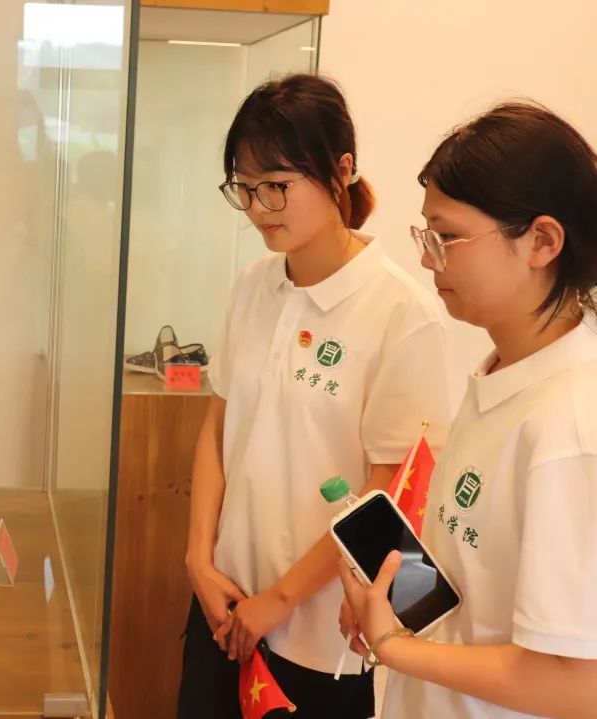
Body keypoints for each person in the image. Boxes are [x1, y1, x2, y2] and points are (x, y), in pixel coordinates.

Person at [177, 73, 452, 719]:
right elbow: (218, 427)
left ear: (342, 169)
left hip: (316, 634)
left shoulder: (399, 312)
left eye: (277, 184)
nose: (259, 207)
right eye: (245, 187)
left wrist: (278, 599)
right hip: (222, 602)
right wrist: (197, 558)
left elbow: (388, 488)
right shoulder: (253, 285)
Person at [339, 101, 597, 718]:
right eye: (426, 234)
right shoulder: (505, 372)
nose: (429, 257)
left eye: (447, 237)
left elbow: (578, 683)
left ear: (542, 241)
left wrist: (395, 646)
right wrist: (398, 606)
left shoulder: (570, 425)